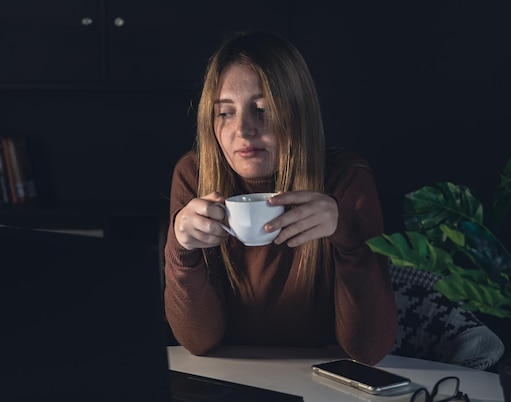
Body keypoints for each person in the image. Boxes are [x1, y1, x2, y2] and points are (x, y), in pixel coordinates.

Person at [163, 30, 397, 365]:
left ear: (297, 112)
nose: (243, 130)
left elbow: (368, 348)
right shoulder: (194, 176)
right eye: (225, 113)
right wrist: (181, 249)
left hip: (322, 379)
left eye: (262, 109)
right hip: (232, 375)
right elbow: (198, 341)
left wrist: (346, 234)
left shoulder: (346, 178)